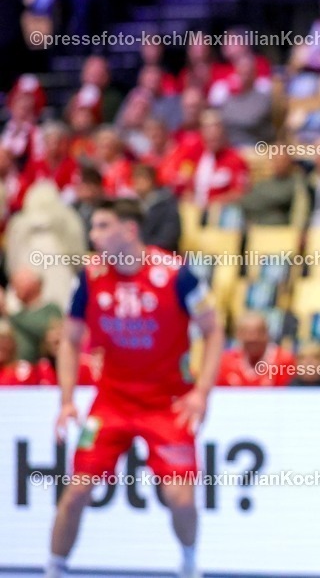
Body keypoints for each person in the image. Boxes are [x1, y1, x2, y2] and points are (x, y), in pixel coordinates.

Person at [46, 198, 224, 578]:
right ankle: (54, 568)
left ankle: (190, 564)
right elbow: (71, 339)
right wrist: (66, 400)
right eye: (92, 228)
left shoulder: (177, 274)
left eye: (101, 226)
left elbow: (213, 329)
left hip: (167, 402)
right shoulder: (89, 278)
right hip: (111, 402)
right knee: (76, 491)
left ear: (129, 230)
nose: (93, 236)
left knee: (181, 499)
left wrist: (202, 392)